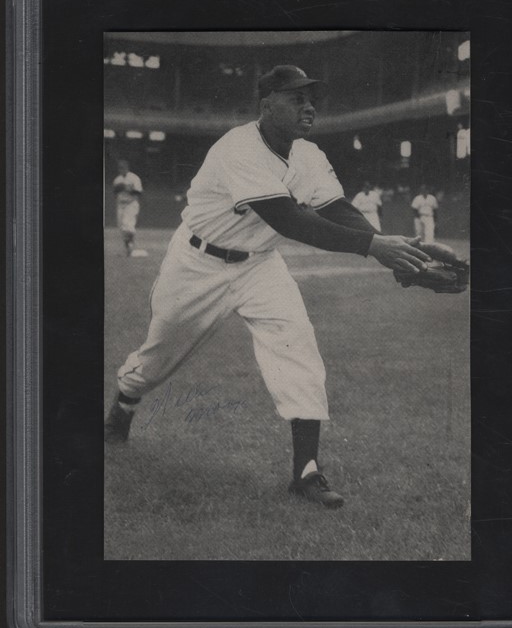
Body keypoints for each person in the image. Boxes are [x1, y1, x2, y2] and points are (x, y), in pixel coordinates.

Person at [104, 65, 430, 508]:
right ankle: (124, 403)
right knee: (158, 355)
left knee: (298, 347)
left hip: (260, 265)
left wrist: (391, 245)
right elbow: (290, 220)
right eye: (296, 98)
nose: (308, 106)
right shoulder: (238, 147)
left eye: (311, 98)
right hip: (198, 262)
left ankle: (306, 472)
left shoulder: (308, 155)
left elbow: (336, 208)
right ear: (266, 106)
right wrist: (374, 246)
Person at [113, 159, 143, 255]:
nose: (121, 170)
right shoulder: (117, 180)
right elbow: (115, 193)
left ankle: (130, 246)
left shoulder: (134, 178)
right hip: (121, 205)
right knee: (121, 228)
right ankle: (128, 249)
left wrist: (127, 188)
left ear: (127, 168)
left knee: (128, 227)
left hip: (131, 204)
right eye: (120, 168)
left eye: (123, 168)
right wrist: (118, 190)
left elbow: (139, 192)